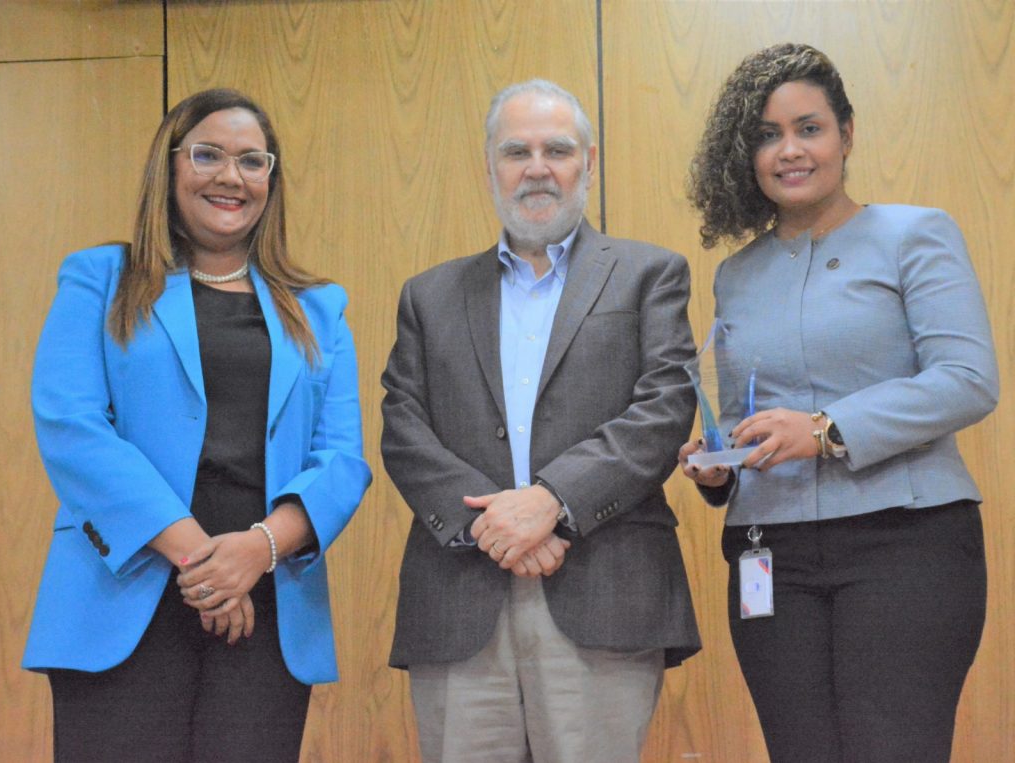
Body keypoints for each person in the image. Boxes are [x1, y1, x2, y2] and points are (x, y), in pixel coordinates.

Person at [22, 88, 372, 762]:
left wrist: (256, 550)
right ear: (169, 165)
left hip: (264, 606)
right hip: (123, 593)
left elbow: (342, 460)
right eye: (208, 154)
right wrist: (199, 561)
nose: (230, 176)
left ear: (271, 179)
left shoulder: (319, 310)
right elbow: (72, 425)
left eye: (252, 160)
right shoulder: (102, 279)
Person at [680, 43, 998, 762]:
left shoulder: (917, 235)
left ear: (846, 135)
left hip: (906, 544)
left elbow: (968, 378)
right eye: (767, 135)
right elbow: (742, 414)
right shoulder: (736, 274)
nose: (788, 150)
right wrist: (718, 461)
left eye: (809, 128)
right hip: (770, 557)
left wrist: (826, 429)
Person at [381, 79, 700, 762]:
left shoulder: (650, 275)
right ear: (489, 168)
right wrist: (494, 525)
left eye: (557, 149)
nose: (536, 167)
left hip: (603, 591)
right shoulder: (428, 295)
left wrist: (552, 502)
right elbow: (403, 427)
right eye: (515, 150)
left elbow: (665, 406)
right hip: (461, 593)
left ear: (590, 163)